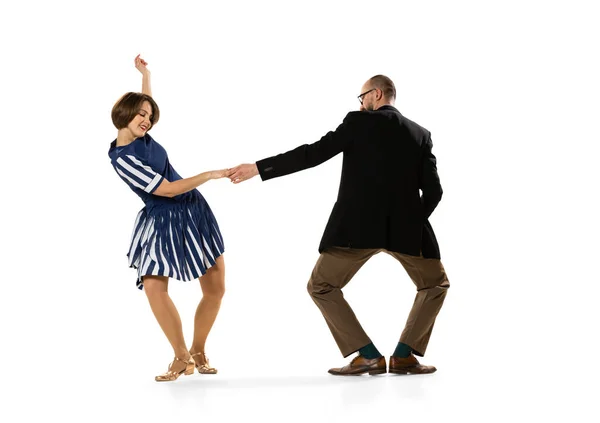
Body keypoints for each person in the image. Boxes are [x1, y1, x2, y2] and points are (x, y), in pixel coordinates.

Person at [227, 75, 450, 375]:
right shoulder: (420, 134)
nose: (360, 104)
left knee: (320, 286)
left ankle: (368, 354)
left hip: (355, 230)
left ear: (377, 94)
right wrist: (410, 220)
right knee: (435, 284)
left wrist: (258, 168)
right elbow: (434, 192)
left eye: (362, 97)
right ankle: (404, 355)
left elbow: (312, 154)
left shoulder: (357, 124)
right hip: (407, 232)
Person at [108, 55, 228, 381]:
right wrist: (210, 174)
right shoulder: (124, 158)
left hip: (193, 209)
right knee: (154, 287)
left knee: (216, 287)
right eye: (140, 114)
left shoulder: (140, 136)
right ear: (124, 115)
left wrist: (145, 75)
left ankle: (198, 350)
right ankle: (180, 356)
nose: (146, 119)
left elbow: (145, 103)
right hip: (163, 215)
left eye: (149, 115)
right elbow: (168, 189)